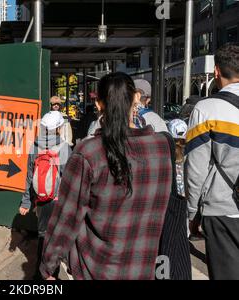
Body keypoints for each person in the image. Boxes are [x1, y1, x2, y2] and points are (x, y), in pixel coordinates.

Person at [40, 72, 174, 280]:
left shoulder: (88, 152)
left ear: (99, 104)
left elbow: (66, 218)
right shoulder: (162, 148)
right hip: (144, 268)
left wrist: (48, 266)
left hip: (95, 268)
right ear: (136, 98)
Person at [185, 43, 239, 280]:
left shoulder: (206, 109)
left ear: (216, 71)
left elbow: (195, 168)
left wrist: (192, 212)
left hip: (222, 208)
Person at [19, 111, 72, 279]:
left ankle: (40, 274)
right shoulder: (64, 148)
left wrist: (26, 202)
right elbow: (69, 178)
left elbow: (29, 176)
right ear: (59, 128)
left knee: (43, 235)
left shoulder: (34, 146)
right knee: (58, 236)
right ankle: (52, 273)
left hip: (41, 199)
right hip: (59, 201)